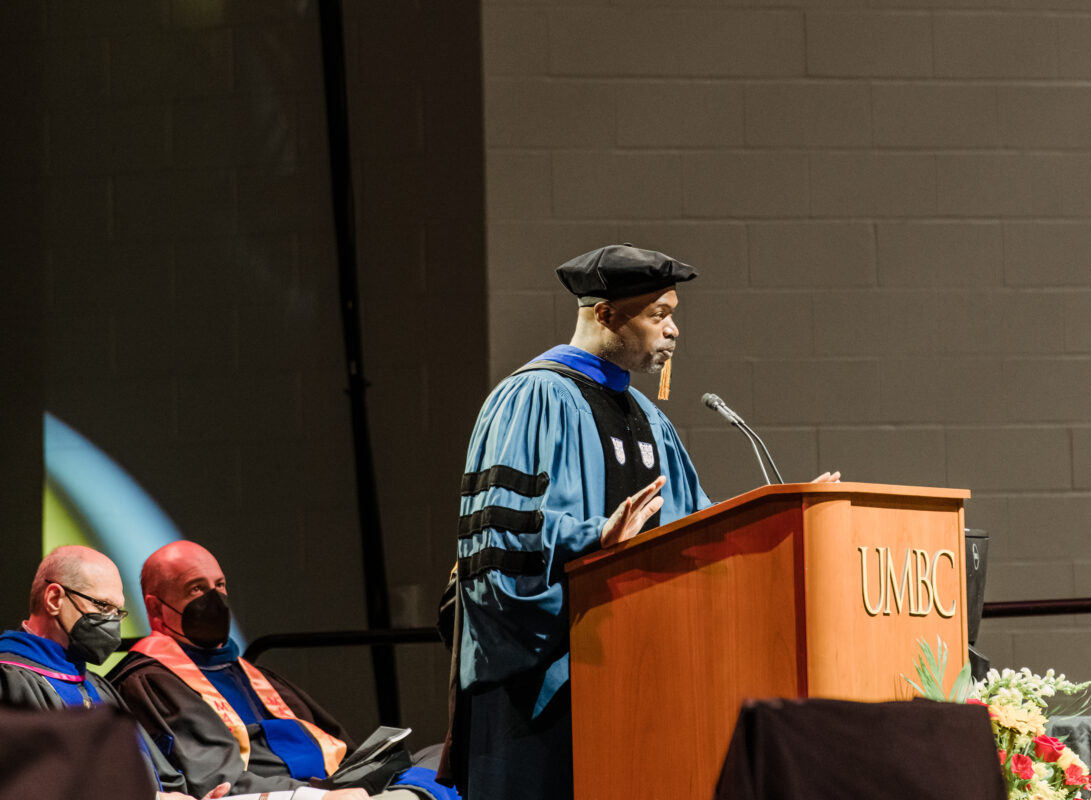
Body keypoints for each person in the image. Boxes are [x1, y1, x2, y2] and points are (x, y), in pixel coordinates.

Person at [440, 244, 840, 800]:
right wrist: (596, 537)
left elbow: (698, 526)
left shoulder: (651, 420)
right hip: (540, 690)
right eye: (658, 314)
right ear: (604, 314)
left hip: (641, 682)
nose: (673, 331)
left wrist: (782, 519)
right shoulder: (532, 397)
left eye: (672, 314)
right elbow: (501, 537)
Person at [109, 541, 433, 800]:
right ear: (155, 607)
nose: (215, 599)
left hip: (337, 785)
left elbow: (337, 744)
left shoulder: (249, 671)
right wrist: (314, 795)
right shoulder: (150, 681)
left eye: (220, 585)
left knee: (442, 756)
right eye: (196, 589)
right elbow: (219, 782)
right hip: (286, 795)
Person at [0, 544, 228, 800]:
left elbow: (158, 777)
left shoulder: (98, 686)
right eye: (103, 606)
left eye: (117, 612)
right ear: (54, 599)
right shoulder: (9, 680)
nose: (112, 623)